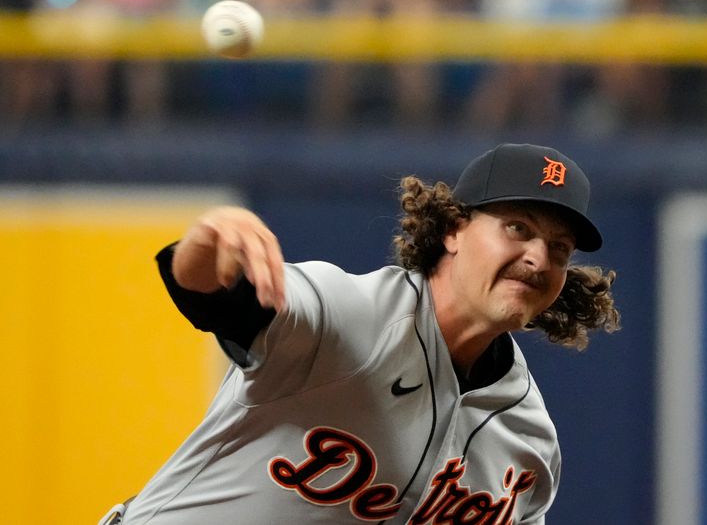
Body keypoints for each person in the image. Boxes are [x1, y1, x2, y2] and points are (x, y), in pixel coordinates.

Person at [100, 143, 620, 524]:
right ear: (453, 229)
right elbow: (209, 294)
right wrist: (210, 240)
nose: (537, 257)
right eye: (518, 228)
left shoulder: (528, 441)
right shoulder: (348, 313)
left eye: (559, 248)